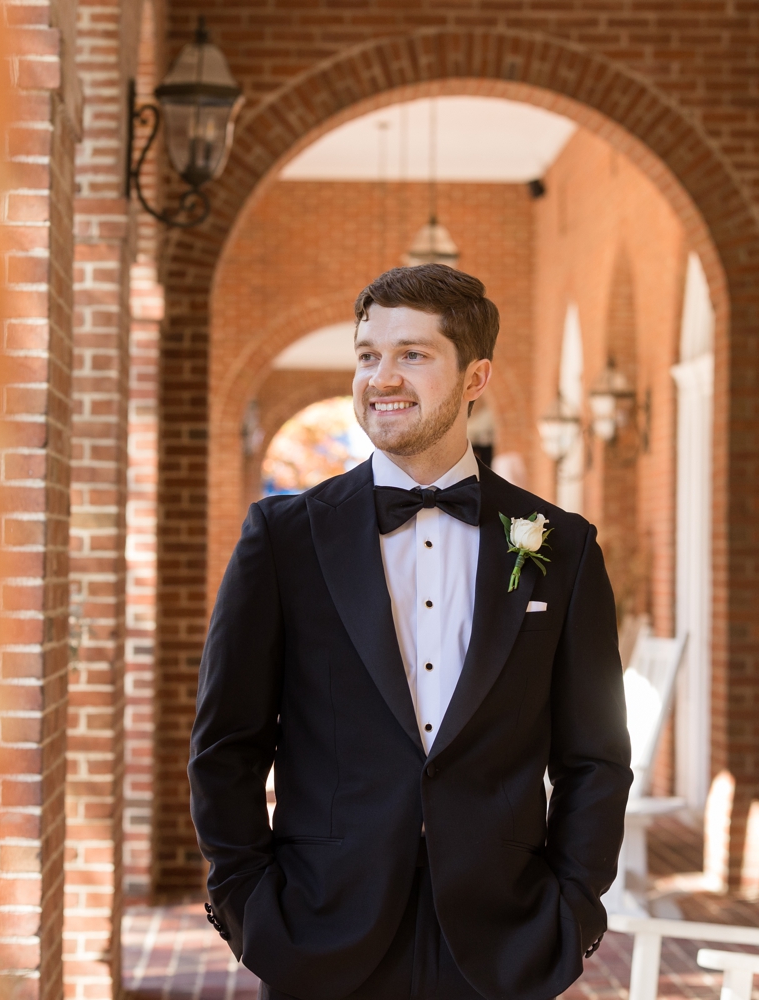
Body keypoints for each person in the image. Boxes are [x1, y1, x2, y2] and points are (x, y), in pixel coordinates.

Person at [189, 264, 631, 1000]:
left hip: (503, 941)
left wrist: (573, 908)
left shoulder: (560, 544)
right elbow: (226, 744)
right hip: (318, 933)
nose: (381, 378)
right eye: (368, 355)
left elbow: (595, 756)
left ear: (475, 377)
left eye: (412, 355)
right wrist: (247, 905)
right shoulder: (283, 538)